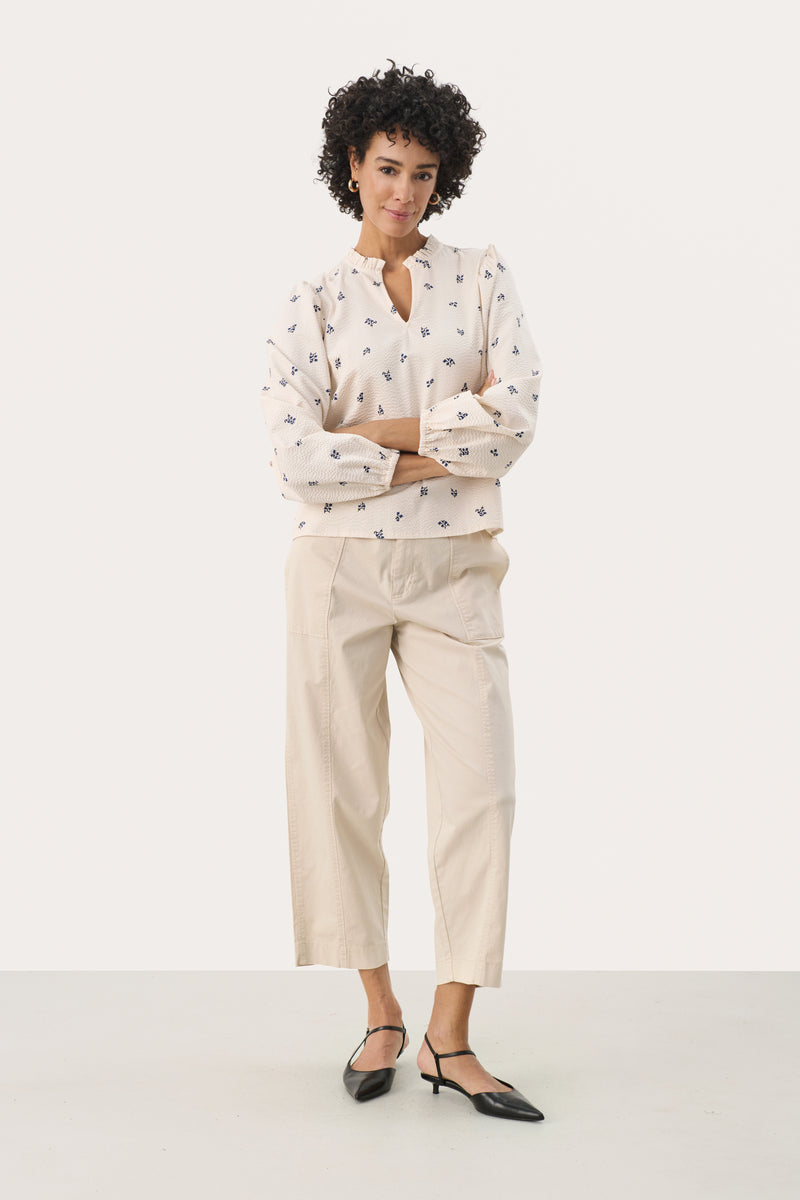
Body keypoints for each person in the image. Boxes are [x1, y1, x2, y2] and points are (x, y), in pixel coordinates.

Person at [259, 62, 545, 1122]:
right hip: (335, 568)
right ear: (352, 164)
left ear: (444, 177)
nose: (404, 191)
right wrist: (447, 443)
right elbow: (297, 460)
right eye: (387, 168)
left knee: (482, 789)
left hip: (455, 564)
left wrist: (379, 436)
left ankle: (449, 1034)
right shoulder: (310, 301)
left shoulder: (484, 277)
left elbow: (515, 423)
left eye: (423, 173)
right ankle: (380, 1011)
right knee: (340, 789)